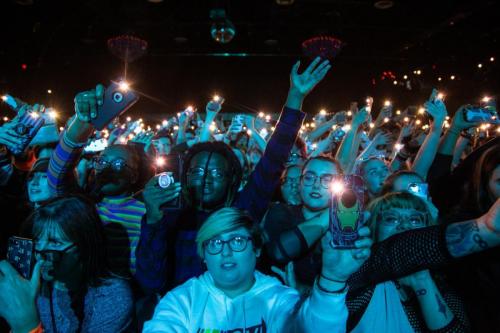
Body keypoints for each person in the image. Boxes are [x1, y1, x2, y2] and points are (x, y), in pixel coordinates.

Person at [136, 57, 332, 294]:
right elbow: (150, 281)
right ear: (185, 177)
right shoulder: (171, 216)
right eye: (197, 171)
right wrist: (154, 219)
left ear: (233, 179)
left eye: (217, 173)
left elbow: (274, 157)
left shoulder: (244, 208)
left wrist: (295, 97)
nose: (206, 179)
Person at [143, 207, 373, 333]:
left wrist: (333, 278)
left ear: (256, 249)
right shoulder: (182, 301)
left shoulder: (280, 299)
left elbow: (314, 328)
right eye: (214, 243)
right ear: (203, 256)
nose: (225, 251)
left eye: (237, 241)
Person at [47, 90, 154, 276]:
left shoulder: (147, 211)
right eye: (102, 162)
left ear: (134, 176)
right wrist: (82, 123)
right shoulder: (84, 208)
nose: (108, 169)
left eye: (119, 164)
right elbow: (57, 174)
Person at [0, 195, 133, 332]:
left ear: (85, 246)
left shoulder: (111, 296)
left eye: (55, 243)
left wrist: (28, 325)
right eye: (37, 240)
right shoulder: (32, 283)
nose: (40, 253)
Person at [346, 192, 469, 332]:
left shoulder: (444, 288)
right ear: (375, 228)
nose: (405, 225)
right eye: (392, 219)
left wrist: (422, 280)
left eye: (415, 220)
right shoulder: (359, 282)